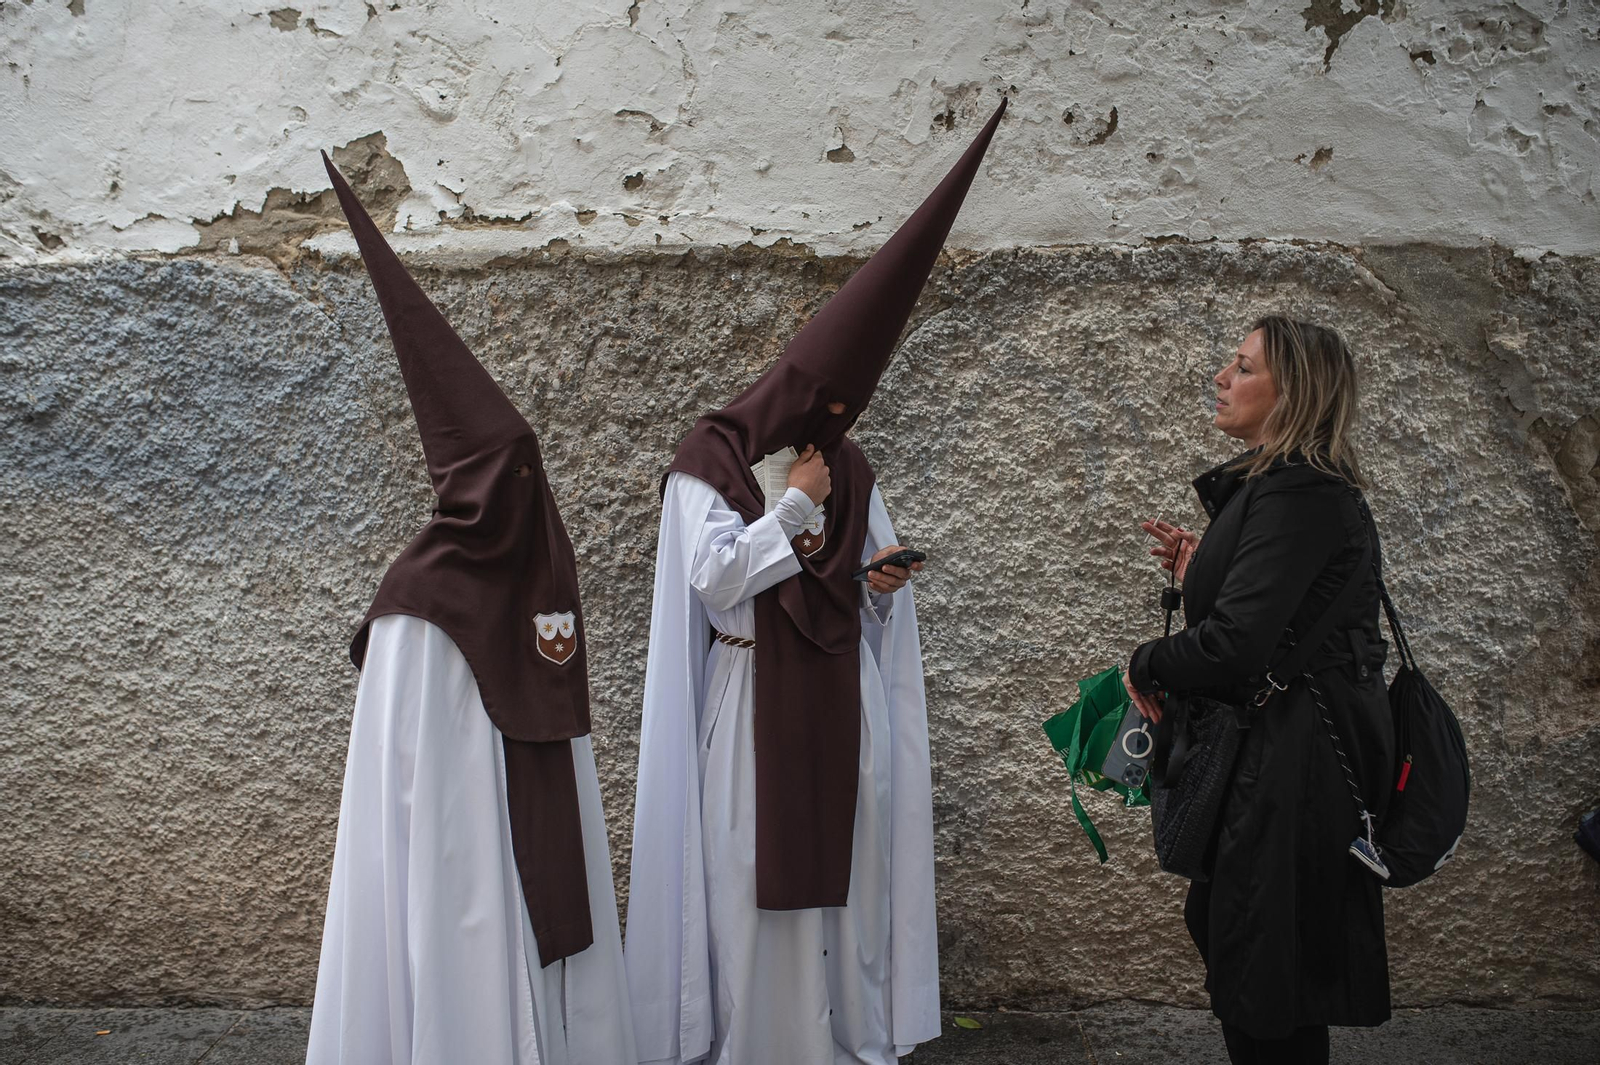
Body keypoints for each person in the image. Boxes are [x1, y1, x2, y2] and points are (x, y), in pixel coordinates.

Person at [624, 100, 1006, 1065]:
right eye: (822, 404)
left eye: (844, 409)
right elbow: (714, 583)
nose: (831, 421)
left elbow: (863, 588)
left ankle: (842, 1045)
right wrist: (791, 510)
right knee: (749, 883)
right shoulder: (709, 460)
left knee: (851, 883)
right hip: (751, 701)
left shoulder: (850, 463)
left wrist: (878, 588)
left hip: (842, 698)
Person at [306, 155, 635, 1065]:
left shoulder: (521, 579)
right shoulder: (419, 602)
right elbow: (409, 777)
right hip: (449, 856)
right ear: (486, 488)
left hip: (504, 844)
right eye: (518, 476)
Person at [1124, 317, 1396, 1065]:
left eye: (1242, 367)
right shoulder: (1287, 488)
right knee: (1247, 947)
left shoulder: (1299, 491)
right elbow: (1274, 614)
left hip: (1292, 768)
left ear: (1293, 395)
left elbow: (1237, 644)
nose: (1221, 376)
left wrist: (1145, 659)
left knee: (1262, 970)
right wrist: (1201, 568)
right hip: (1281, 757)